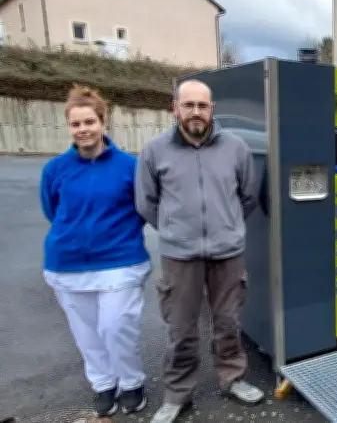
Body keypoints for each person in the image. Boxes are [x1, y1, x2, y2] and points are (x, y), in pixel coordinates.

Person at [136, 79, 262, 423]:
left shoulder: (236, 148)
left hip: (227, 253)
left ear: (212, 109)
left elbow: (248, 196)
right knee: (181, 328)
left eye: (202, 106)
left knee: (228, 322)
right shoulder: (154, 151)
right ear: (175, 108)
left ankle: (232, 378)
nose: (196, 112)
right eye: (188, 105)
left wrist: (226, 226)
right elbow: (146, 202)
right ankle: (178, 393)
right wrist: (176, 231)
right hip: (180, 256)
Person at [40, 85, 151, 417]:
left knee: (116, 327)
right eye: (75, 124)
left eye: (89, 122)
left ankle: (130, 382)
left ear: (103, 122)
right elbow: (52, 209)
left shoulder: (130, 166)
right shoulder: (55, 169)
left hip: (120, 261)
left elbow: (143, 209)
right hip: (67, 264)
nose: (83, 129)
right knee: (86, 333)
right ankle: (103, 383)